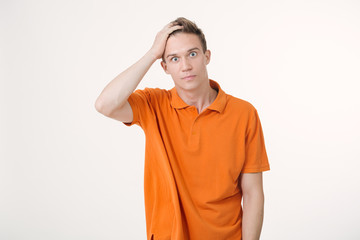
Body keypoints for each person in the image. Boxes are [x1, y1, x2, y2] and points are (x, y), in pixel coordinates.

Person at [95, 17, 270, 240]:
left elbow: (253, 192)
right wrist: (151, 53)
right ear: (164, 67)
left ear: (207, 57)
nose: (185, 65)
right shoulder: (154, 104)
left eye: (192, 54)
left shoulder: (244, 113)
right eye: (174, 58)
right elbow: (104, 104)